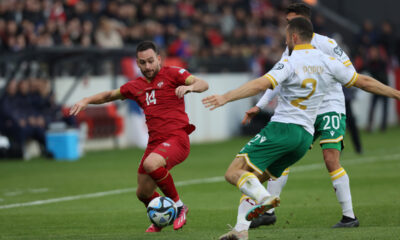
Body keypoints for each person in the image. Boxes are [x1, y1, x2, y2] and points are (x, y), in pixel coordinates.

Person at [202, 18, 400, 240]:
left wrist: (226, 97)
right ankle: (241, 231)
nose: (285, 40)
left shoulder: (290, 61)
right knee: (252, 178)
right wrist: (396, 94)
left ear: (294, 37)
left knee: (233, 172)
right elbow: (364, 81)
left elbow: (261, 84)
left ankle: (266, 200)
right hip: (304, 138)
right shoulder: (328, 61)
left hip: (282, 129)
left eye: (286, 35)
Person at [241, 3, 363, 229]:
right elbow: (275, 79)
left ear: (304, 21)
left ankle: (349, 216)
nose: (287, 27)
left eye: (290, 22)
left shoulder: (327, 44)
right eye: (286, 22)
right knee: (282, 157)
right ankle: (268, 211)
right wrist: (260, 105)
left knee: (330, 158)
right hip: (305, 111)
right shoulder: (290, 49)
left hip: (329, 107)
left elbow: (350, 72)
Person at [70, 41, 209, 232]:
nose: (148, 66)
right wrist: (86, 100)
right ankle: (162, 219)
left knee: (151, 164)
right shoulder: (135, 86)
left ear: (159, 59)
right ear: (137, 63)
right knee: (143, 193)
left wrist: (190, 88)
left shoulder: (173, 74)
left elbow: (203, 83)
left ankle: (179, 206)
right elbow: (110, 95)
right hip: (155, 143)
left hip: (177, 138)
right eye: (143, 63)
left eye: (151, 61)